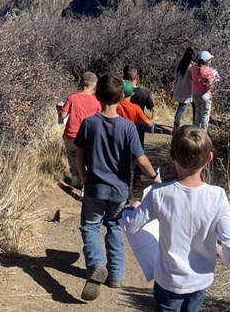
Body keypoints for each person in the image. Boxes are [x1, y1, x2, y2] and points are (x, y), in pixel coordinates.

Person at [122, 125, 230, 312]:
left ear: (172, 156)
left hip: (169, 280)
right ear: (209, 158)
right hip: (200, 279)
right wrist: (223, 255)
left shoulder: (158, 194)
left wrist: (130, 211)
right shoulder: (217, 196)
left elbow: (130, 227)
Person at [74, 74, 162, 301]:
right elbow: (140, 158)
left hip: (94, 188)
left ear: (98, 96)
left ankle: (95, 264)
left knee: (91, 227)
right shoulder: (128, 128)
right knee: (114, 227)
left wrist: (84, 178)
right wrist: (154, 177)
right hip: (120, 191)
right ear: (122, 96)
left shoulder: (89, 124)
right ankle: (115, 276)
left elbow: (79, 155)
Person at [58, 72, 101, 189]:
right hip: (87, 137)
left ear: (81, 83)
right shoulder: (96, 102)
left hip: (70, 135)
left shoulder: (72, 98)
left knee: (72, 156)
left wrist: (61, 108)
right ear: (95, 86)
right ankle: (86, 181)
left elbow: (62, 116)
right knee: (87, 159)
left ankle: (75, 178)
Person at [123, 66, 157, 184]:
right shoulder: (143, 93)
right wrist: (153, 118)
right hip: (138, 126)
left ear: (123, 77)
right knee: (138, 151)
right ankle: (137, 177)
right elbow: (152, 107)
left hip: (122, 126)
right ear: (137, 77)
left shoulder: (120, 94)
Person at [189, 51, 216, 131]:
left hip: (194, 92)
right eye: (210, 59)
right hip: (204, 94)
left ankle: (195, 129)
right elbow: (210, 85)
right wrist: (211, 90)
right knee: (205, 114)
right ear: (207, 61)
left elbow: (190, 78)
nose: (211, 61)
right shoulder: (209, 71)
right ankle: (203, 132)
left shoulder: (192, 68)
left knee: (198, 111)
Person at [172, 47, 198, 129]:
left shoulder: (181, 64)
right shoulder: (193, 66)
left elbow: (176, 78)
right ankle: (195, 124)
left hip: (181, 89)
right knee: (195, 106)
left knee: (181, 107)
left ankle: (176, 125)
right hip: (190, 90)